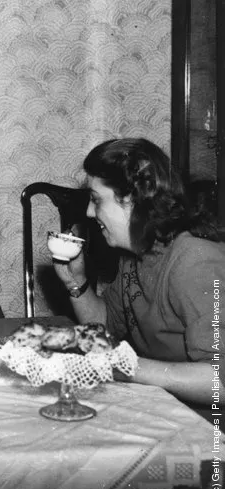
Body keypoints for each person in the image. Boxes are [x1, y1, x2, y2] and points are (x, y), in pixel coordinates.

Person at [54, 137, 224, 407]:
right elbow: (105, 328)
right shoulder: (136, 253)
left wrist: (128, 367)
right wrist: (76, 282)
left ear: (134, 200)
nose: (88, 211)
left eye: (96, 200)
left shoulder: (195, 261)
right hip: (163, 405)